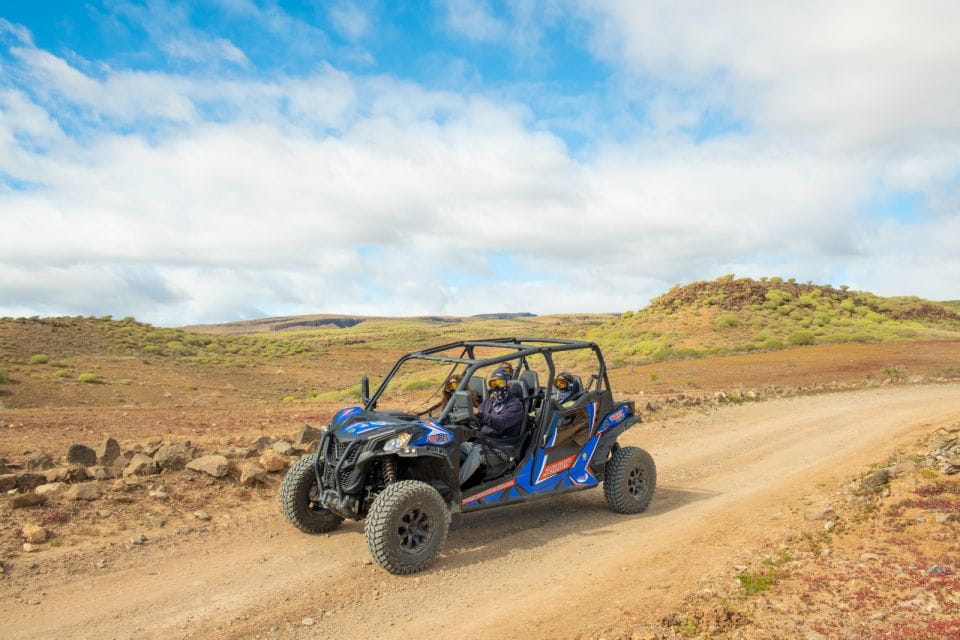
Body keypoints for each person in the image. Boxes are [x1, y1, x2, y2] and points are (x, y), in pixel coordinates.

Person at [459, 367, 525, 486]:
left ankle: (455, 487)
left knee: (478, 452)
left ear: (509, 384)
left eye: (499, 383)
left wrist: (478, 413)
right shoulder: (488, 403)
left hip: (503, 448)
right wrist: (465, 419)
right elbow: (477, 422)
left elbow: (500, 423)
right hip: (484, 442)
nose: (496, 387)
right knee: (456, 445)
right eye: (493, 383)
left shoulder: (515, 406)